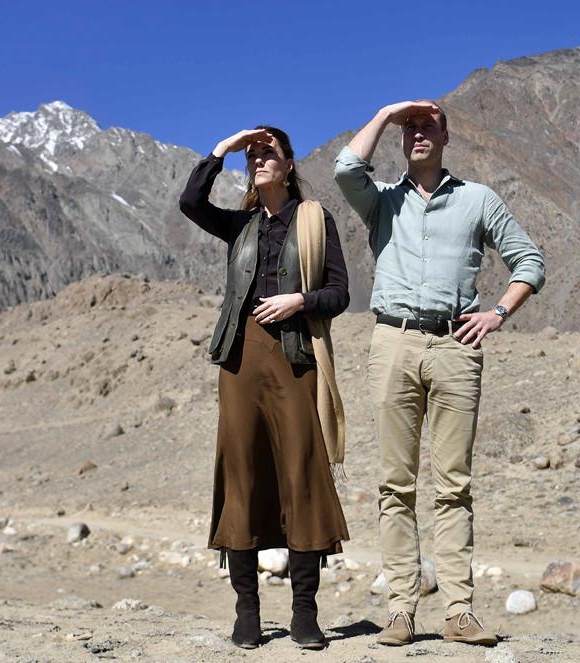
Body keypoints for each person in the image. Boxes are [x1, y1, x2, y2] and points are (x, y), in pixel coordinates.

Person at [334, 101, 546, 647]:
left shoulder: (479, 199)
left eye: (428, 126)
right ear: (401, 141)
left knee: (454, 484)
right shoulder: (381, 203)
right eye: (411, 129)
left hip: (456, 345)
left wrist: (498, 312)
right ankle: (401, 610)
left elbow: (530, 261)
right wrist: (385, 113)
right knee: (394, 485)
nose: (419, 134)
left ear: (446, 137)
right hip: (393, 341)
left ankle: (458, 611)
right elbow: (344, 170)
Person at [179, 126, 351, 650]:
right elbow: (190, 201)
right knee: (242, 476)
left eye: (266, 152)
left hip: (296, 356)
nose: (257, 160)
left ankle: (304, 614)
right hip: (240, 358)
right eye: (251, 155)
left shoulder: (315, 220)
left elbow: (340, 293)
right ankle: (247, 613)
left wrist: (299, 302)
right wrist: (222, 149)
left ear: (289, 163)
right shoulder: (239, 226)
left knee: (301, 472)